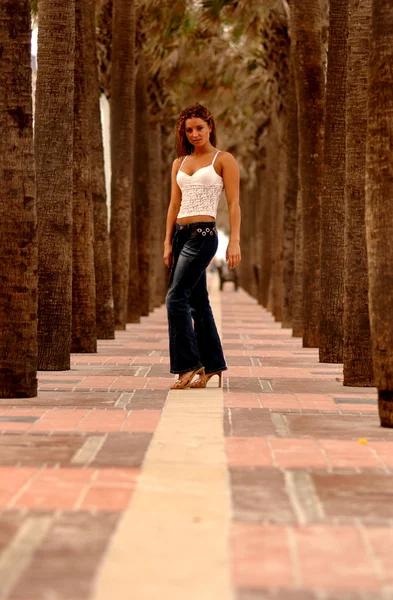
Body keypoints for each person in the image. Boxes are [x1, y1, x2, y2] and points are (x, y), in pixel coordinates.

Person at [163, 103, 241, 389]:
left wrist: (235, 241)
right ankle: (212, 365)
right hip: (181, 235)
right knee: (197, 302)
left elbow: (233, 203)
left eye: (199, 128)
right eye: (189, 130)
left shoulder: (223, 159)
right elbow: (173, 204)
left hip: (204, 235)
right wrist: (167, 242)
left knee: (175, 298)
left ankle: (188, 365)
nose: (194, 134)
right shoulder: (179, 163)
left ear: (210, 127)